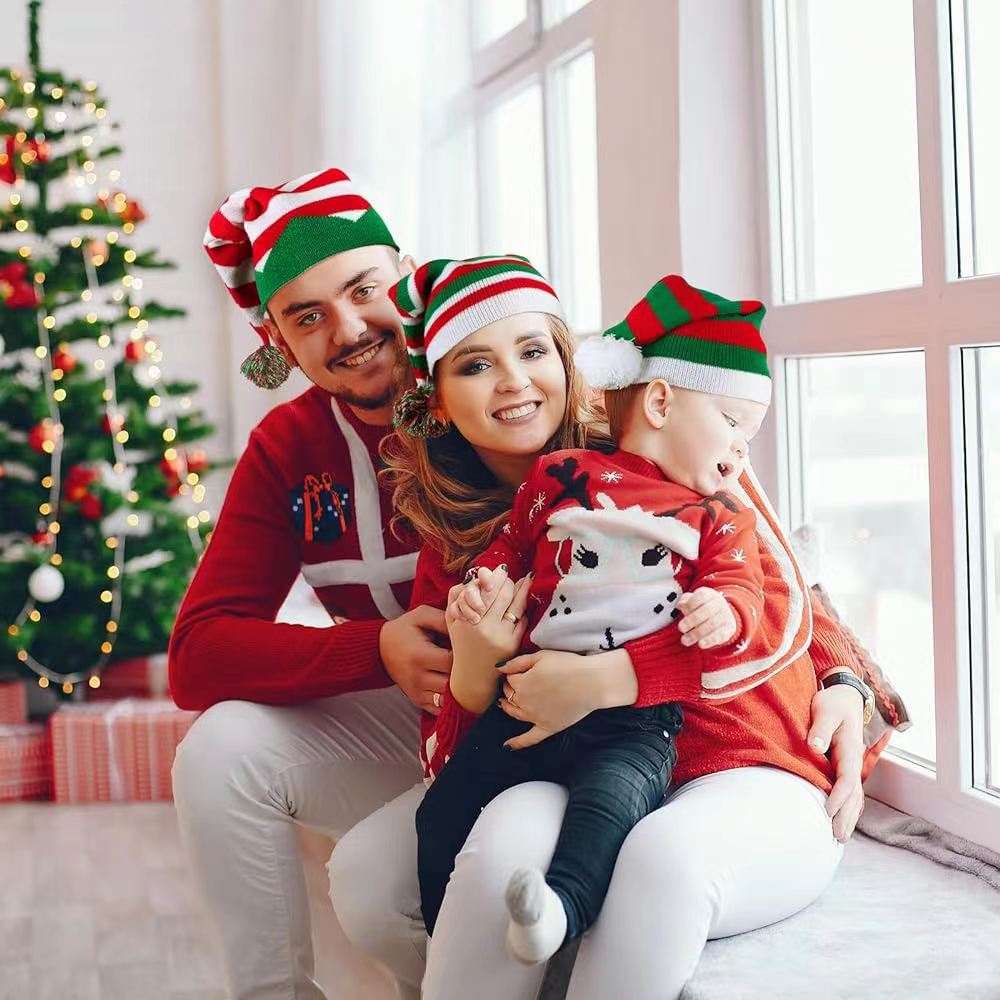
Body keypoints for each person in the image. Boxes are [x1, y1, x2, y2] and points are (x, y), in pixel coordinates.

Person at [329, 269, 873, 1000]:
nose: (513, 382)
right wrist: (476, 668)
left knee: (651, 861)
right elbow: (451, 737)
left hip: (721, 749)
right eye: (475, 364)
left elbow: (789, 596)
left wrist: (847, 682)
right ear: (439, 401)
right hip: (573, 756)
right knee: (450, 858)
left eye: (532, 351)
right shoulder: (456, 543)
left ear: (568, 360)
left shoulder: (682, 448)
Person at [414, 272, 774, 965]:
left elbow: (751, 597)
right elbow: (513, 544)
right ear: (661, 400)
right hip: (521, 705)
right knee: (440, 818)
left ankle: (558, 913)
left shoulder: (719, 510)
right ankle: (442, 938)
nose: (740, 452)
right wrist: (481, 587)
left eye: (534, 352)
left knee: (606, 815)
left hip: (634, 725)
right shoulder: (561, 476)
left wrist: (722, 612)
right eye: (733, 425)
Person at [168, 167, 447, 1000]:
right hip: (415, 723)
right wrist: (380, 650)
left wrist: (846, 678)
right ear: (278, 343)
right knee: (217, 750)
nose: (350, 328)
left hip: (536, 723)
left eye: (365, 289)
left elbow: (713, 510)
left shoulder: (498, 382)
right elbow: (198, 655)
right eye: (307, 316)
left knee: (380, 885)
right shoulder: (286, 446)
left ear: (408, 275)